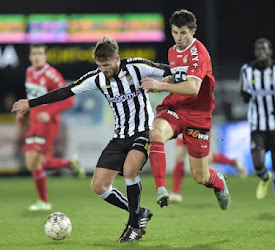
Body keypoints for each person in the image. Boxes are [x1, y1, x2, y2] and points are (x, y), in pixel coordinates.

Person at [12, 36, 171, 243]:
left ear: (117, 58)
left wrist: (164, 83)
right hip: (119, 136)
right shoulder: (97, 78)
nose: (104, 69)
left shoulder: (137, 67)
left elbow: (170, 69)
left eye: (106, 65)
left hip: (142, 131)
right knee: (99, 186)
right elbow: (65, 92)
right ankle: (139, 212)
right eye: (100, 65)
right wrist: (31, 104)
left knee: (130, 170)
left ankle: (133, 225)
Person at [141, 9, 231, 210]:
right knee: (155, 133)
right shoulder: (172, 51)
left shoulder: (198, 52)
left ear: (193, 31)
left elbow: (193, 87)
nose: (178, 37)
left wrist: (161, 85)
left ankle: (219, 183)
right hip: (175, 107)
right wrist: (173, 79)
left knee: (201, 176)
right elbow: (184, 77)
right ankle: (161, 188)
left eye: (183, 32)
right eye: (175, 32)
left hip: (198, 116)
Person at [15, 43, 85, 212]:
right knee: (32, 162)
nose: (37, 56)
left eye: (40, 53)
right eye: (34, 53)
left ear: (45, 56)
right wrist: (23, 110)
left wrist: (50, 113)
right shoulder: (29, 72)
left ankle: (44, 201)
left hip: (48, 124)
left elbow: (69, 100)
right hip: (34, 122)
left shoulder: (52, 75)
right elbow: (32, 95)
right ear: (30, 56)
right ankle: (68, 163)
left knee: (33, 162)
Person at [240, 38, 275, 214]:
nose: (261, 52)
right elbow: (243, 91)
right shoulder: (247, 70)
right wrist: (245, 96)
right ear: (255, 52)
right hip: (257, 124)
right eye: (258, 49)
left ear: (270, 51)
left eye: (264, 49)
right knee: (258, 164)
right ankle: (264, 177)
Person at [169, 135, 248, 203]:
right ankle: (176, 192)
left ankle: (233, 162)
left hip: (196, 126)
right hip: (183, 125)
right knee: (179, 156)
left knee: (207, 158)